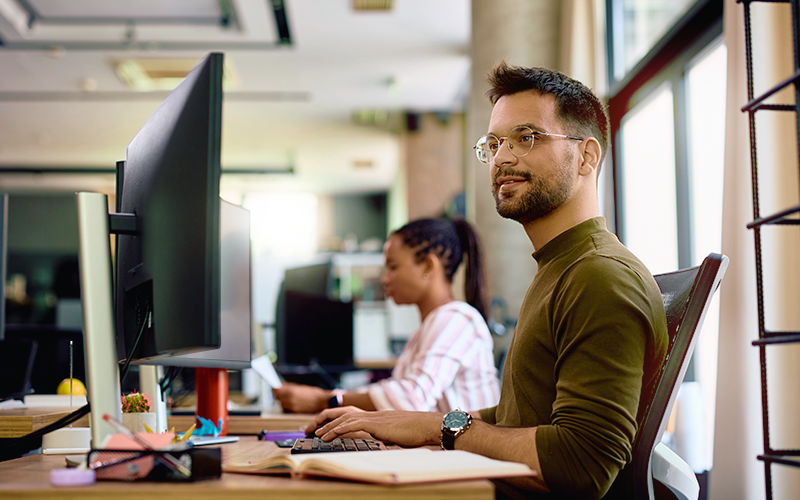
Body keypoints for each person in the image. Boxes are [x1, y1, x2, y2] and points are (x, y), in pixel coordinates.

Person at [304, 62, 669, 500]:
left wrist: (437, 428)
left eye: (526, 137)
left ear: (586, 156)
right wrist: (412, 425)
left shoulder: (599, 276)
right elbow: (519, 418)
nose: (502, 158)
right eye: (494, 144)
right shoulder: (560, 267)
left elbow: (581, 464)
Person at [273, 217, 500, 414]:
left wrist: (324, 400)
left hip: (467, 450)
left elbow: (411, 399)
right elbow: (395, 392)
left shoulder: (457, 318)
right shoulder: (427, 330)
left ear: (428, 266)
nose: (384, 279)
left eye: (393, 267)